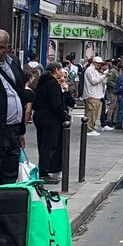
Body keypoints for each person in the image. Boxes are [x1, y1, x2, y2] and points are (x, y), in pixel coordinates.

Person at [33, 62, 72, 185]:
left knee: (43, 143)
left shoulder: (42, 82)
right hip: (50, 118)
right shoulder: (53, 84)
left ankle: (45, 170)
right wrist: (64, 116)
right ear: (56, 70)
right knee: (49, 145)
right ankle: (44, 172)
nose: (62, 72)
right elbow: (55, 104)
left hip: (40, 115)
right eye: (60, 69)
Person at [0, 30, 29, 185]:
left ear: (8, 48)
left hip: (13, 129)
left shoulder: (13, 62)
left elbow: (20, 93)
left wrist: (21, 131)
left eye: (1, 47)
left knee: (11, 172)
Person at [82, 57, 107, 136]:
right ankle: (89, 129)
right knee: (91, 113)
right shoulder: (90, 70)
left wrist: (104, 76)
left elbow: (101, 82)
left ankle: (91, 128)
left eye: (100, 64)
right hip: (92, 94)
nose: (99, 65)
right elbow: (93, 81)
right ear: (93, 62)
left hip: (97, 94)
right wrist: (103, 76)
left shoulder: (96, 71)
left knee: (95, 113)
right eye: (98, 63)